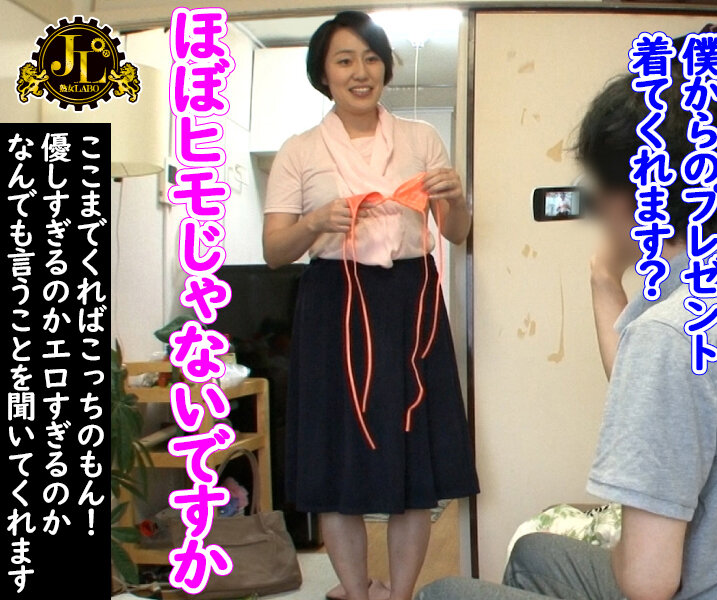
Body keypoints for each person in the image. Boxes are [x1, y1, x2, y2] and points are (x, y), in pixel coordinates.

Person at [416, 69, 717, 600]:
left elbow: (647, 581)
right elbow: (662, 404)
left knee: (442, 593)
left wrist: (631, 537)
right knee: (535, 553)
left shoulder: (669, 334)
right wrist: (603, 278)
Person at [262, 11, 479, 600]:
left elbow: (456, 232)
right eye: (345, 60)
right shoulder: (299, 151)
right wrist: (314, 222)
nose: (360, 72)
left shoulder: (421, 139)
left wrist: (457, 199)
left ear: (386, 67)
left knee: (413, 455)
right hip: (333, 303)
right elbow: (276, 250)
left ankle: (400, 594)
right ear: (323, 73)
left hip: (411, 301)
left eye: (371, 58)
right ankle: (356, 594)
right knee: (338, 459)